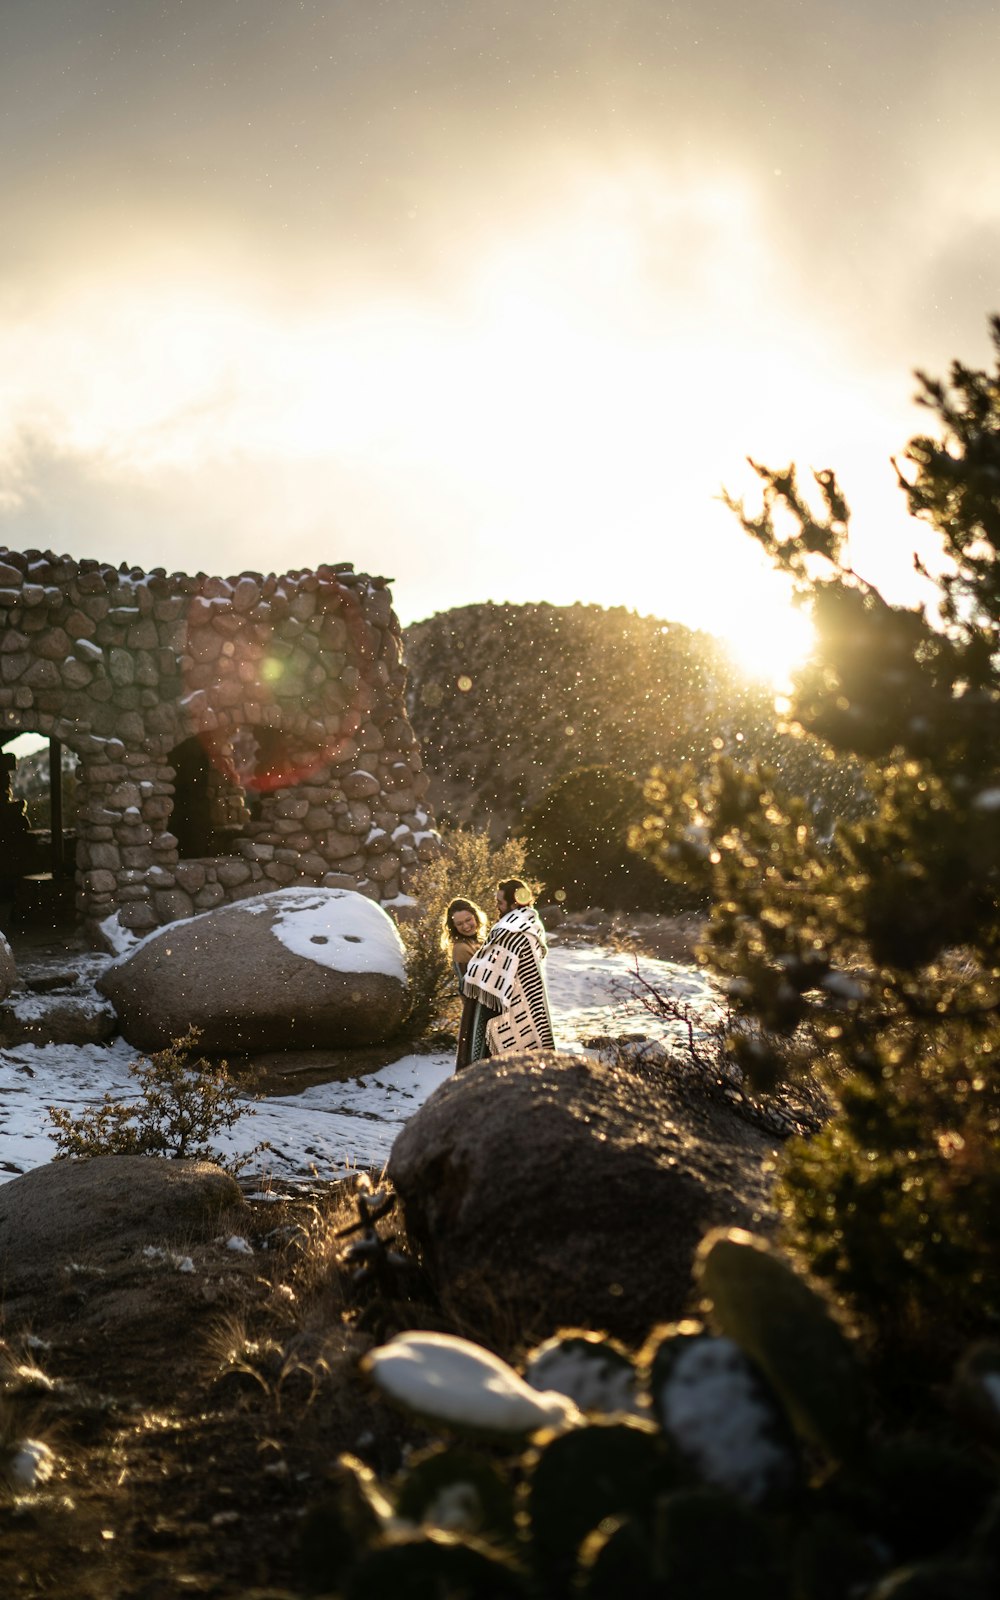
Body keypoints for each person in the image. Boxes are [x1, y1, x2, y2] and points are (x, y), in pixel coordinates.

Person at [460, 877, 555, 1064]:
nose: (497, 906)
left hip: (505, 1002)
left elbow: (490, 968)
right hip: (516, 996)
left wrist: (472, 970)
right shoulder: (532, 922)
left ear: (513, 905)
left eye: (500, 903)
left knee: (492, 1058)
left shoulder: (511, 930)